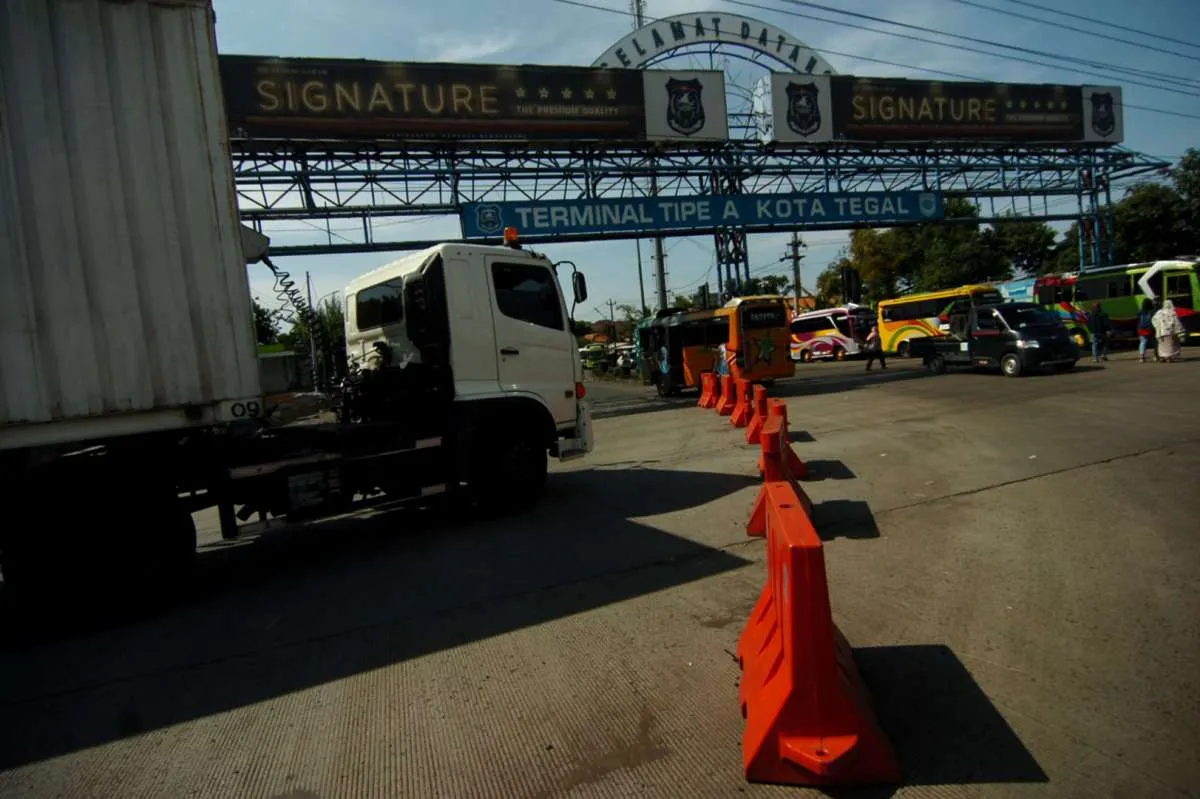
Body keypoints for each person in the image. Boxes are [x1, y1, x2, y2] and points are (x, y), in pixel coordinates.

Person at [1136, 298, 1157, 363]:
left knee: (1143, 342)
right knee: (1155, 343)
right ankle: (1155, 356)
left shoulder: (1140, 311)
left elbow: (1138, 318)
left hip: (1141, 328)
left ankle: (1142, 357)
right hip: (1151, 328)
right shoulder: (1152, 311)